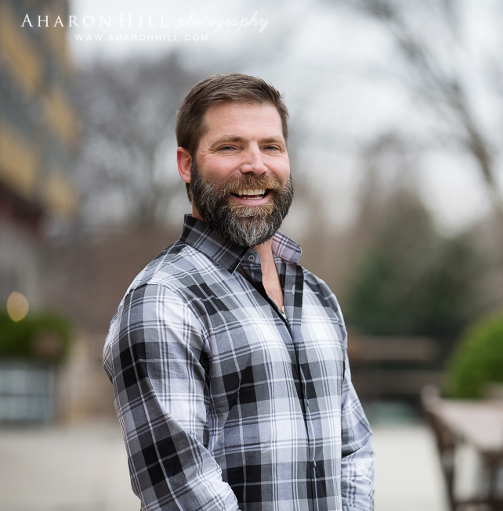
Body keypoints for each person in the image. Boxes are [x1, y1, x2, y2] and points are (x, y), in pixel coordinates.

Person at [103, 73, 374, 511]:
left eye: (271, 146)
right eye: (230, 147)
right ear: (186, 164)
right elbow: (184, 492)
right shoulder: (162, 302)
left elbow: (354, 450)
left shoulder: (318, 296)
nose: (256, 165)